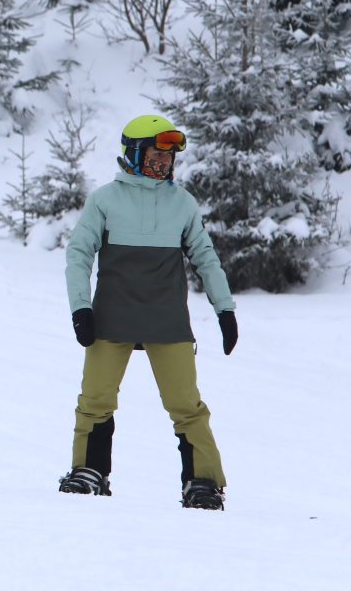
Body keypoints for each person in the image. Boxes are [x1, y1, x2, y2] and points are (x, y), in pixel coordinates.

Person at [58, 114, 238, 510]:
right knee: (95, 400)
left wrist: (224, 308)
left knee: (187, 407)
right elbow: (78, 255)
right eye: (156, 155)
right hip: (110, 319)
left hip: (167, 321)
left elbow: (205, 258)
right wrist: (81, 308)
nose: (164, 164)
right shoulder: (105, 200)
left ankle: (203, 483)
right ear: (135, 154)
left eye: (169, 158)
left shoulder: (182, 204)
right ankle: (89, 472)